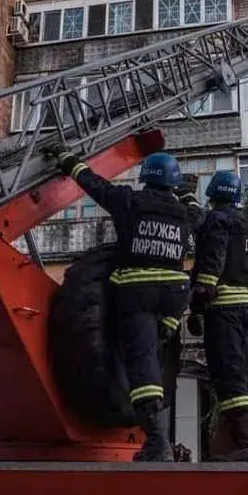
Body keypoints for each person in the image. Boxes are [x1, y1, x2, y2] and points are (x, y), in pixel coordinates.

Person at [47, 145, 203, 461]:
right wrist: (187, 194)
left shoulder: (129, 201)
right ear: (172, 183)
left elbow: (93, 183)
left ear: (145, 178)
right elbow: (198, 214)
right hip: (174, 296)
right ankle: (163, 337)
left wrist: (68, 160)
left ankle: (157, 441)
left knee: (142, 361)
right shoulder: (184, 214)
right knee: (156, 350)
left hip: (139, 292)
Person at [186, 170, 248, 463]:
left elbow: (211, 263)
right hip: (246, 306)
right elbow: (202, 228)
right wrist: (187, 201)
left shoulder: (219, 221)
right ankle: (242, 443)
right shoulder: (246, 226)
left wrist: (196, 309)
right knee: (238, 375)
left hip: (225, 308)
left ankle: (246, 444)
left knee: (227, 375)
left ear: (213, 195)